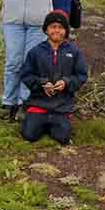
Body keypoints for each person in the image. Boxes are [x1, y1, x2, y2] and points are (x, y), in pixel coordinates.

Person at [20, 11, 87, 145]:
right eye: (53, 26)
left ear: (66, 31)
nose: (56, 30)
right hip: (38, 103)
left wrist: (66, 82)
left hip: (61, 106)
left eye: (60, 27)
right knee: (29, 135)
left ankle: (55, 123)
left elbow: (81, 75)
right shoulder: (35, 51)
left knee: (63, 137)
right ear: (46, 30)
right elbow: (26, 74)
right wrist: (41, 84)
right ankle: (37, 120)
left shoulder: (74, 52)